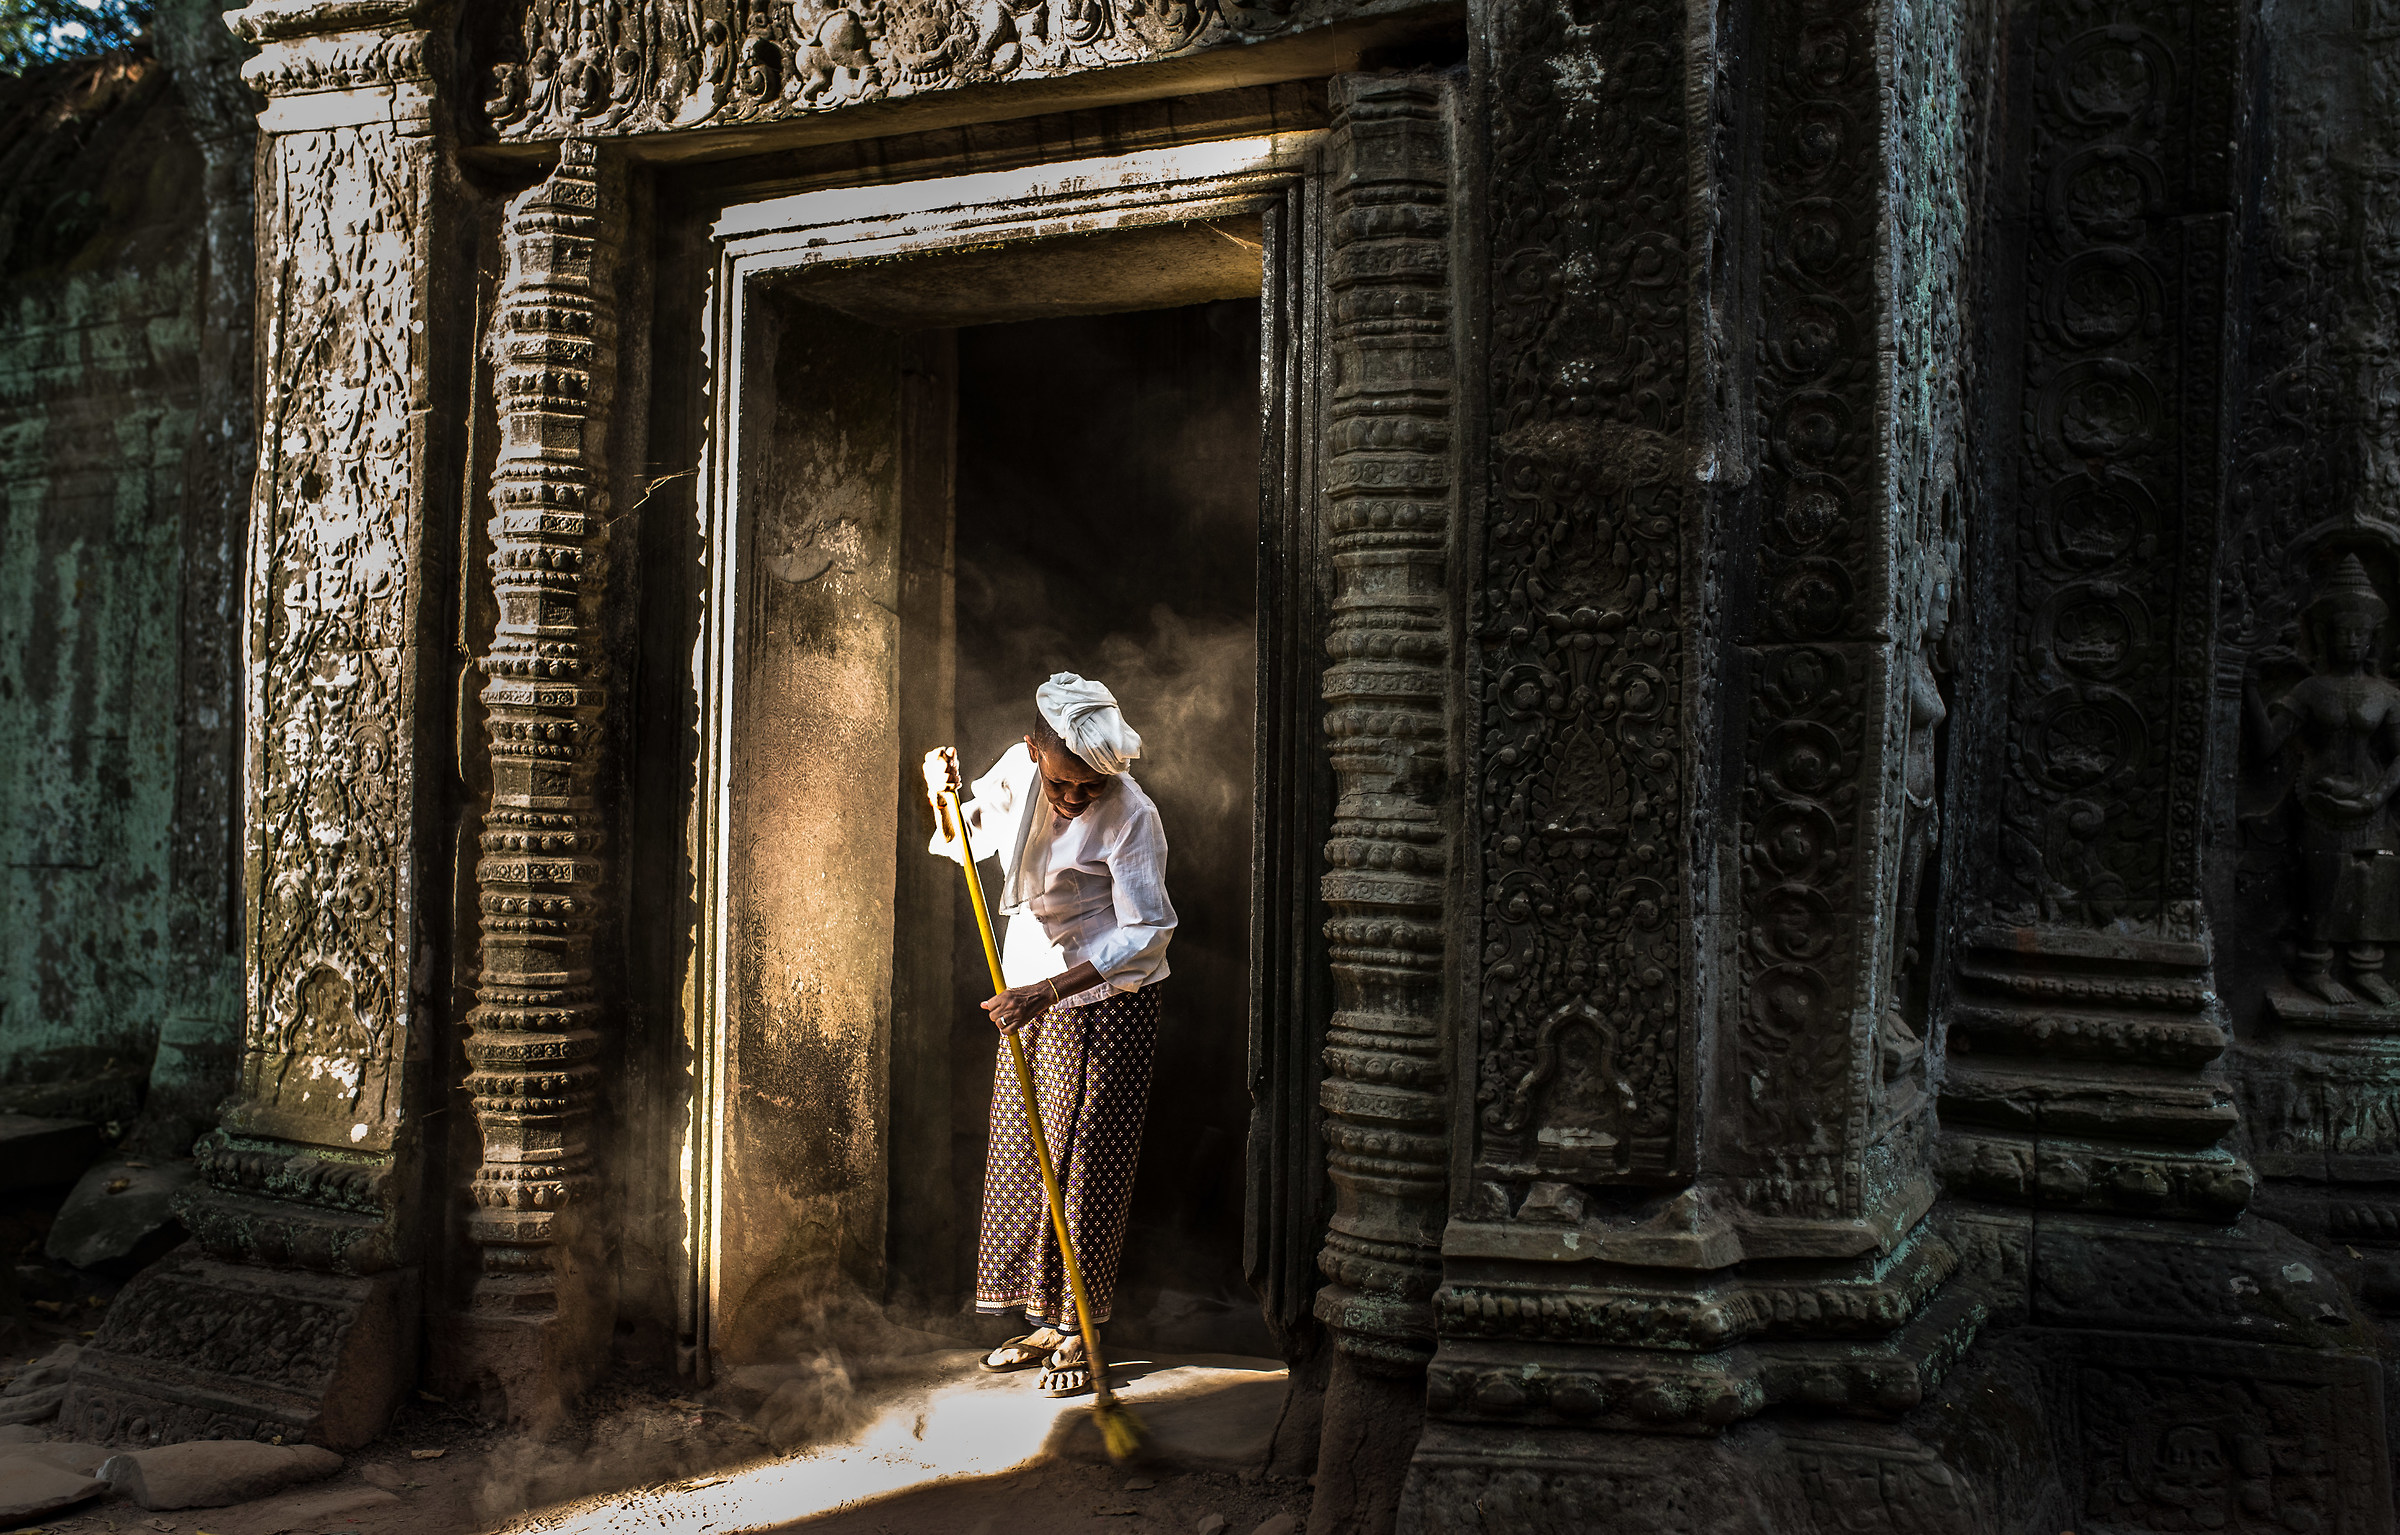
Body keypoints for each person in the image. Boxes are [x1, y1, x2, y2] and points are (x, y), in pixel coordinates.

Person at [923, 673, 1177, 1397]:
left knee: (1085, 1163)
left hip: (1107, 994)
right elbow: (962, 840)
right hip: (1029, 988)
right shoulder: (1014, 769)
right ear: (1035, 751)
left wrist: (1050, 991)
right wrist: (943, 795)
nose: (1073, 800)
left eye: (1088, 790)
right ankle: (1043, 1318)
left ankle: (1081, 1326)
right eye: (1063, 784)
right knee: (1029, 1152)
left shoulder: (1133, 814)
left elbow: (1148, 930)